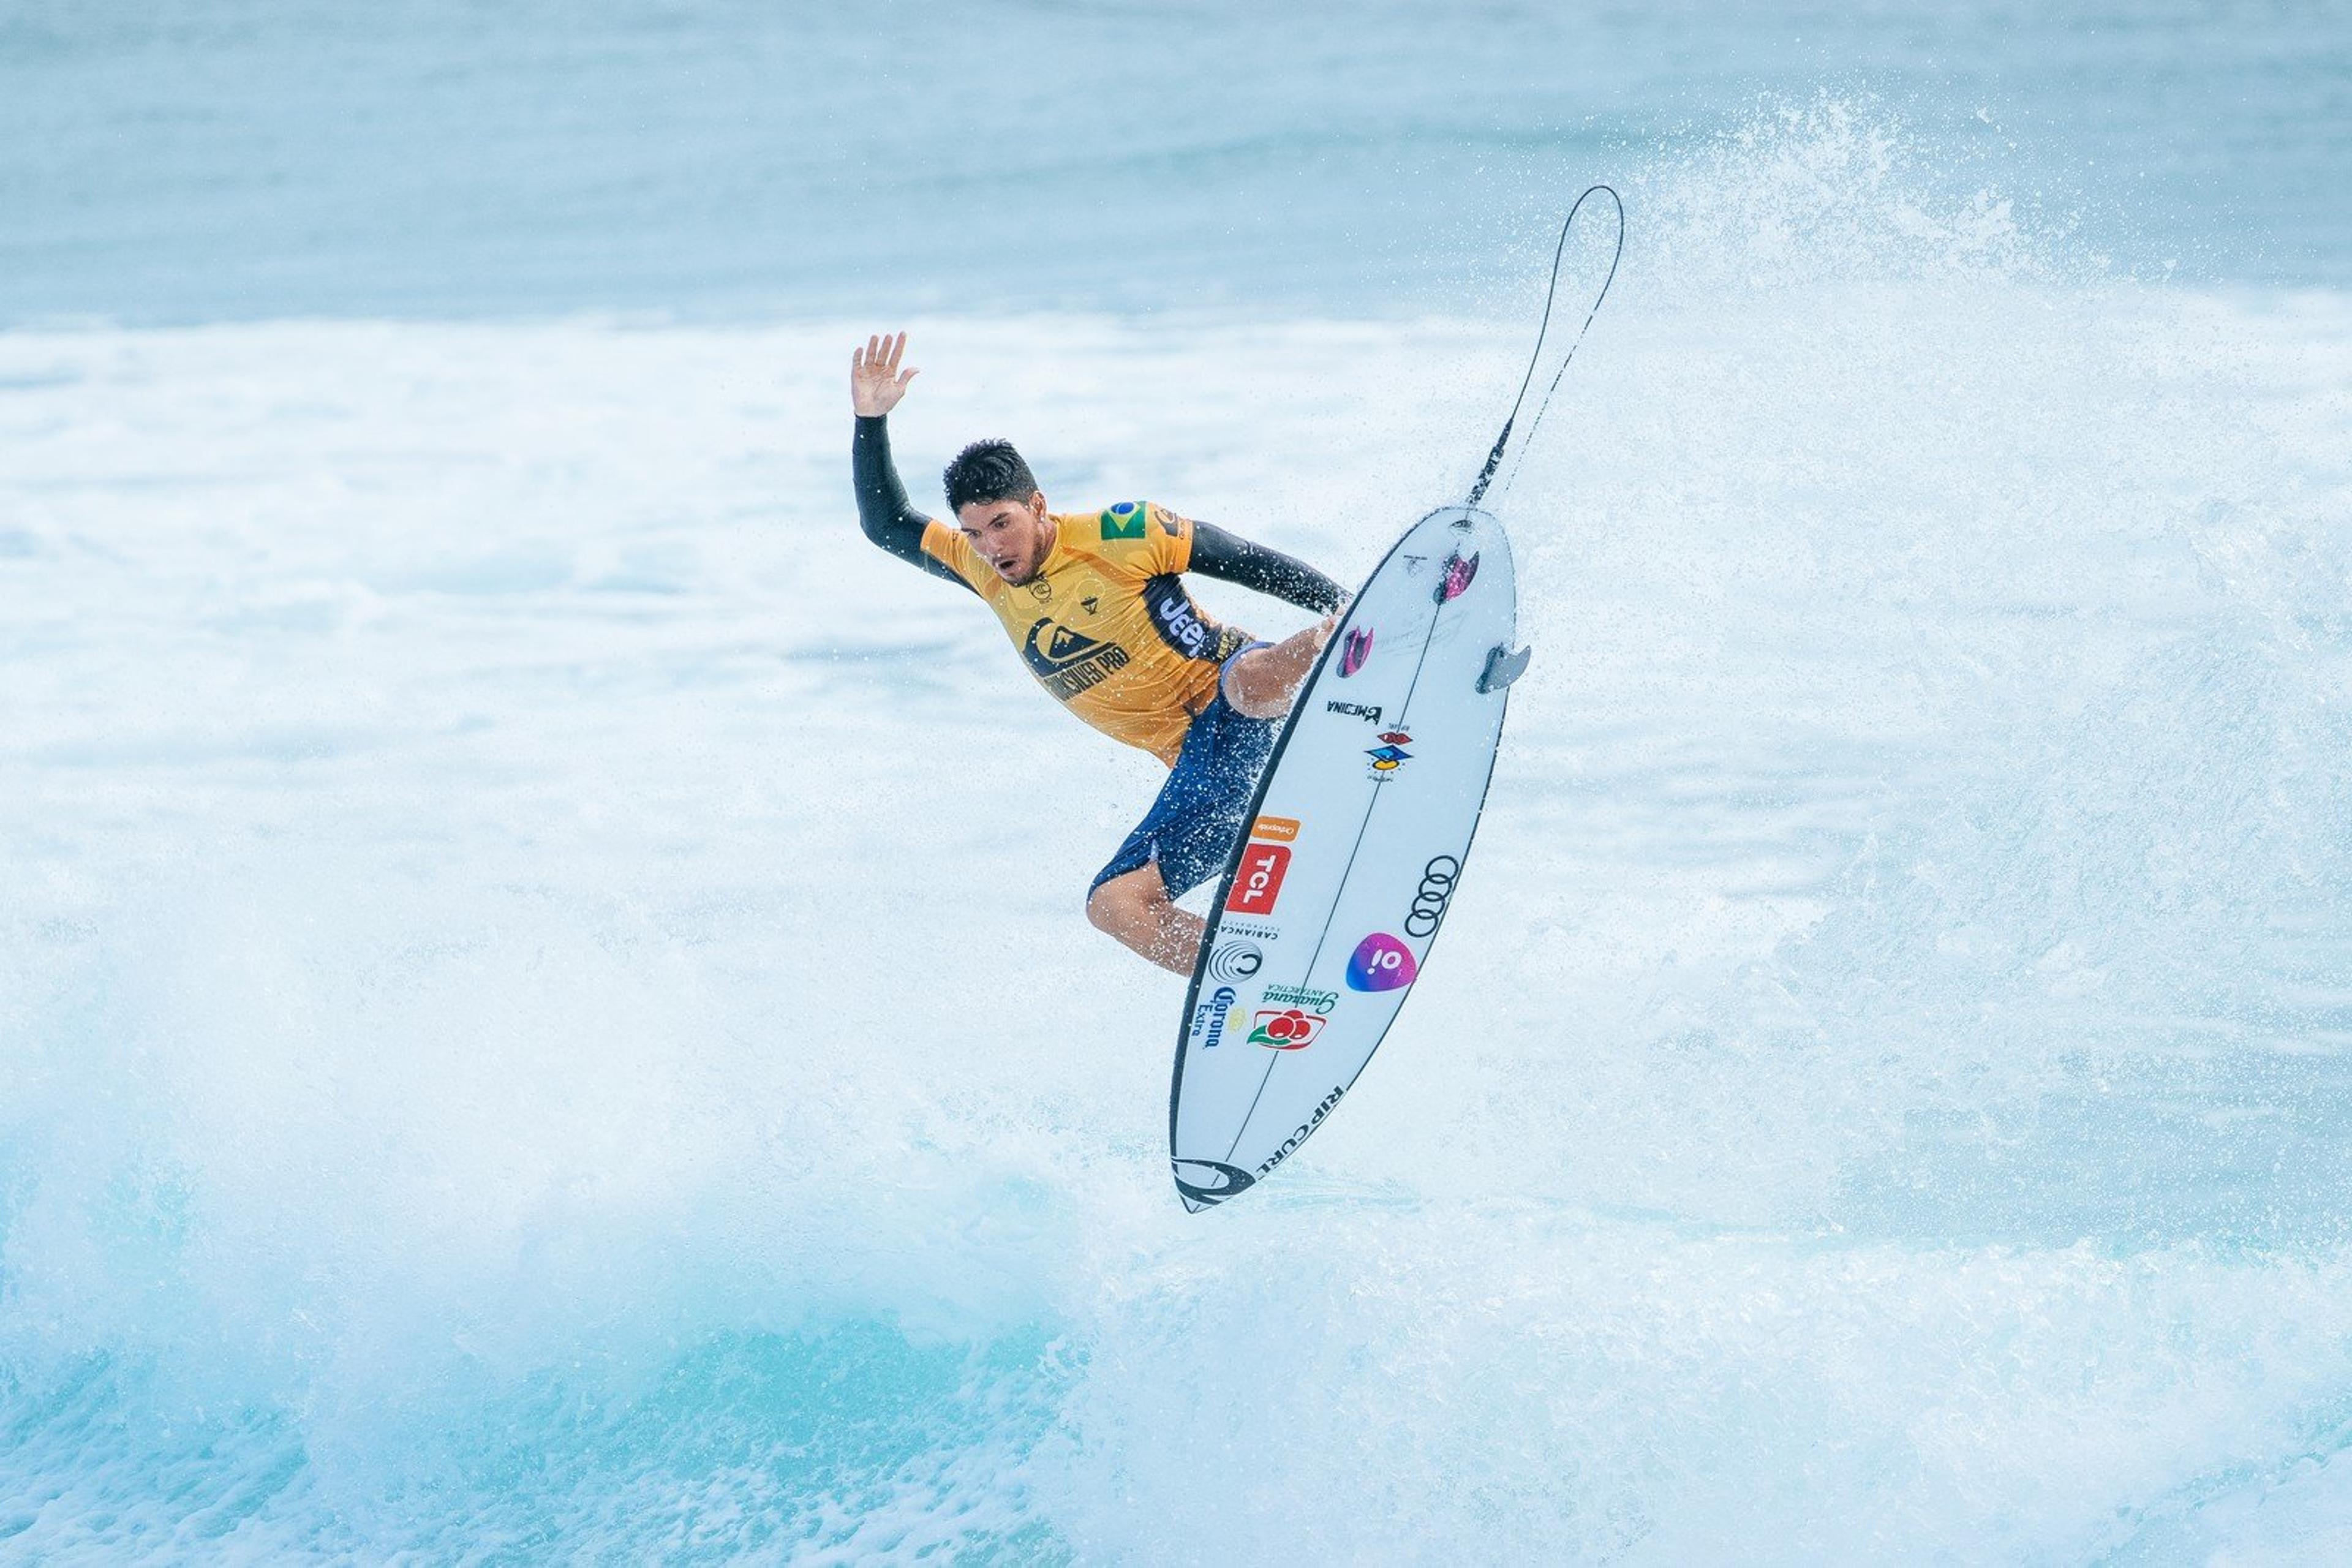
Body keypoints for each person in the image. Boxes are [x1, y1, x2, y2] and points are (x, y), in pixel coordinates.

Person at [849, 331, 1346, 973]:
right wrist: (870, 421)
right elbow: (886, 524)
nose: (992, 546)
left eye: (1002, 522)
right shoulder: (983, 571)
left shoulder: (1122, 534)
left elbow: (1246, 560)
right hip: (1208, 776)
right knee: (1114, 905)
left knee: (1248, 681)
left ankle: (1358, 637)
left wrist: (1348, 601)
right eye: (973, 532)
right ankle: (1260, 974)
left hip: (1243, 698)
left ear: (1038, 506)